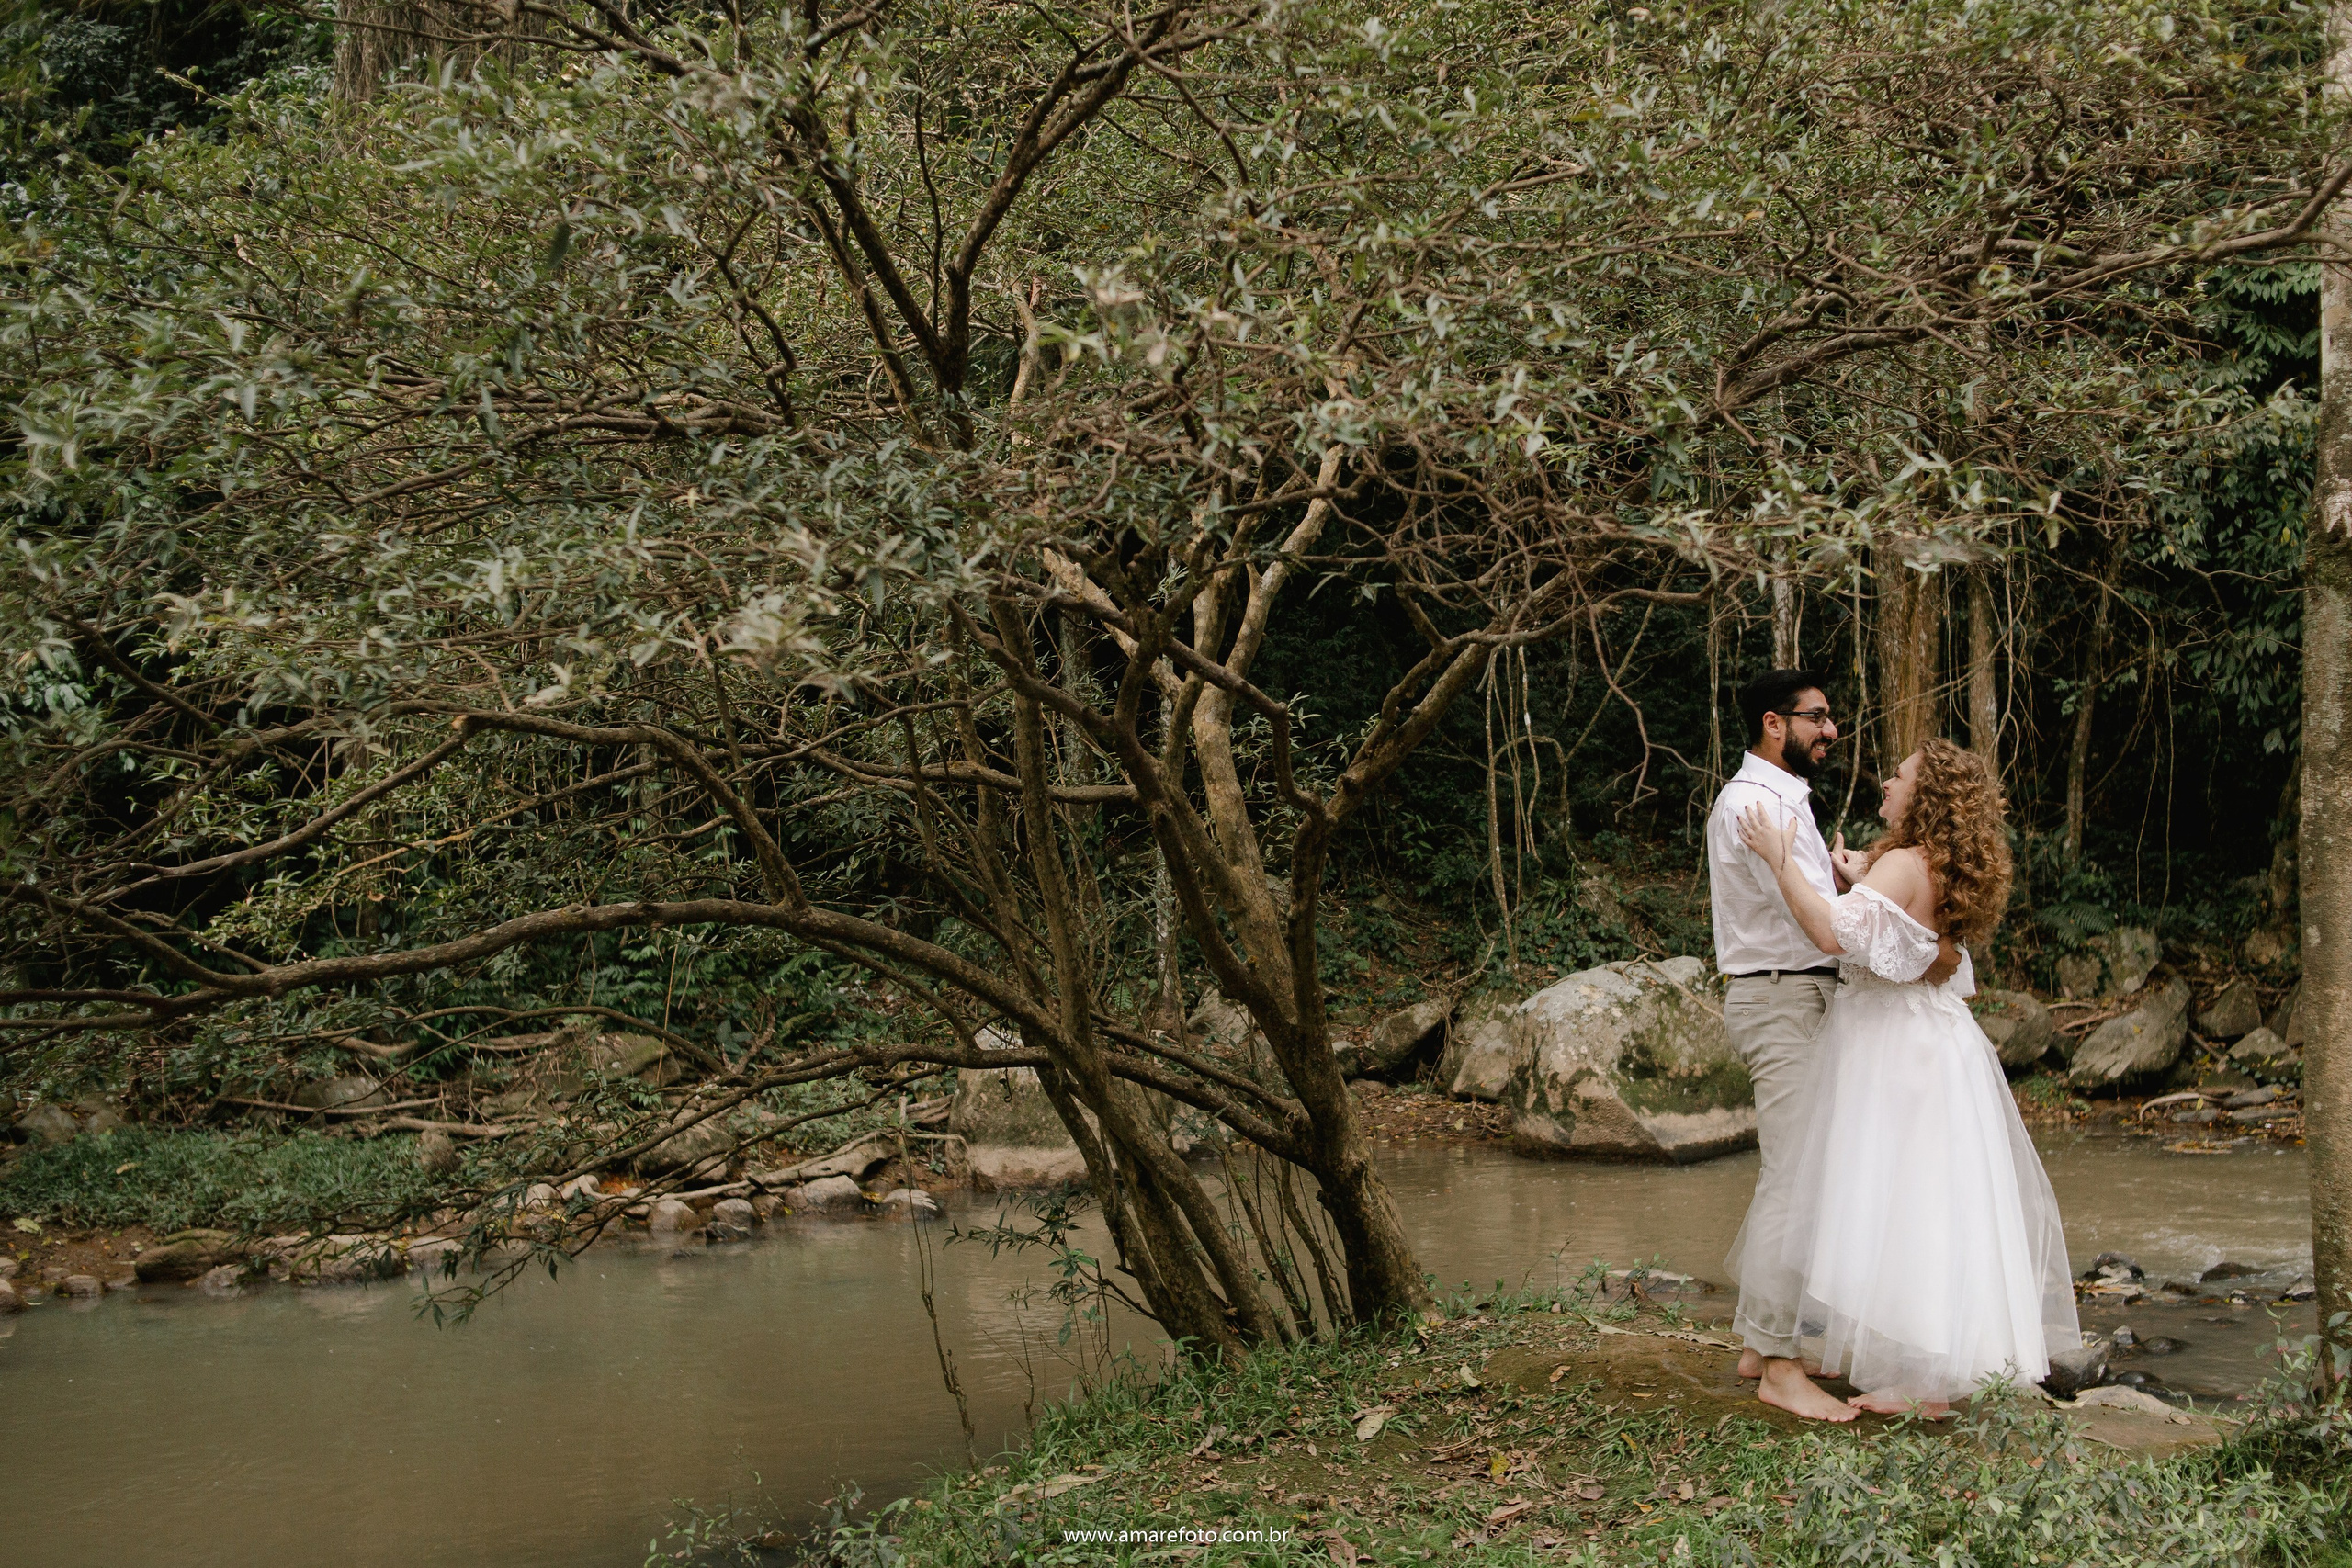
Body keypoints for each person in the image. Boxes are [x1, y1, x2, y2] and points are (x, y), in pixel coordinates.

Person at [1731, 738, 2081, 1417]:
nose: (1887, 781)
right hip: (1935, 1044)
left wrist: (1782, 862)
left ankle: (1921, 1379)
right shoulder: (1940, 865)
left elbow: (1832, 935)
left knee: (1900, 1206)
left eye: (1901, 776)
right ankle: (1928, 1380)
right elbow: (1918, 943)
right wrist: (1860, 874)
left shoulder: (1901, 863)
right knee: (1930, 1205)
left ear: (1927, 797)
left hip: (1895, 1049)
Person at [1705, 671, 1957, 1421]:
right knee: (1793, 1180)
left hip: (1799, 990)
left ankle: (1761, 1343)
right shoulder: (1753, 804)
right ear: (1773, 723)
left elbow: (1832, 917)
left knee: (1797, 1175)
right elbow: (1821, 928)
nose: (1834, 730)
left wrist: (1851, 883)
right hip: (1782, 993)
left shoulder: (1788, 803)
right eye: (1819, 717)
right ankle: (1779, 1365)